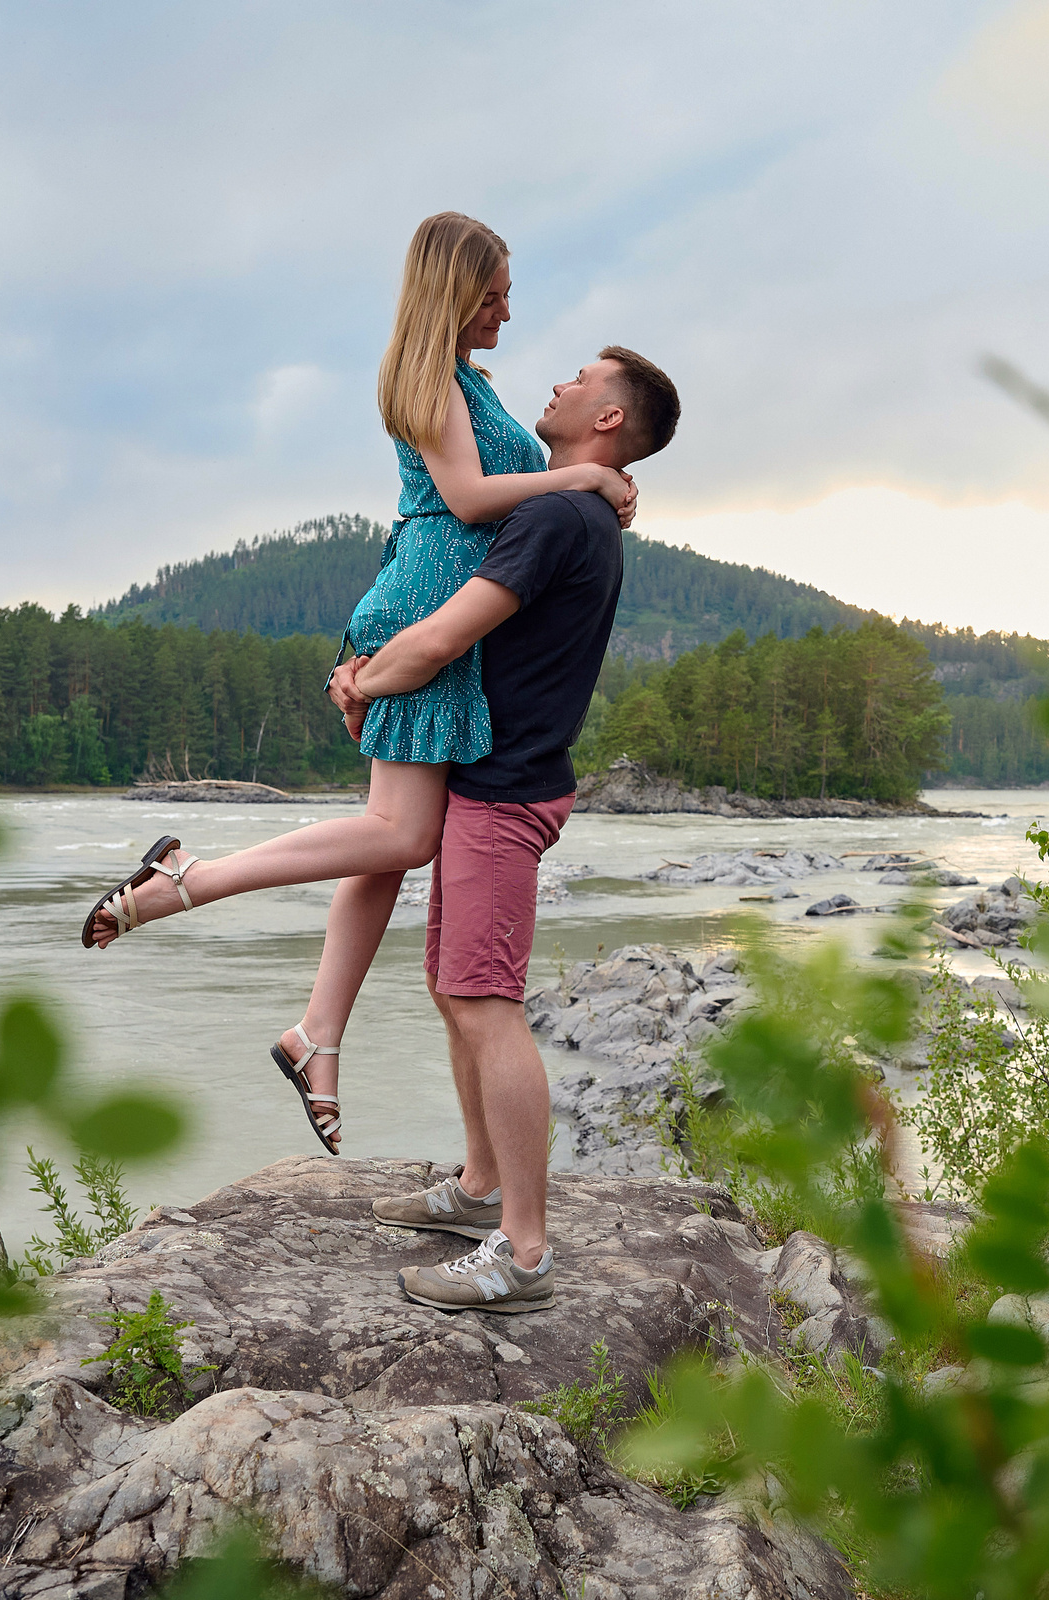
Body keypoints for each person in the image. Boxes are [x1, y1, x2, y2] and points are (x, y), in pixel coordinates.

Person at [75, 211, 633, 1160]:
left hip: (441, 619)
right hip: (425, 609)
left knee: (384, 848)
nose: (507, 309)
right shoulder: (428, 381)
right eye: (494, 292)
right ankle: (185, 882)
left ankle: (317, 1039)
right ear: (456, 290)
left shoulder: (471, 382)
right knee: (402, 835)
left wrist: (593, 479)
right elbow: (464, 501)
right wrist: (582, 484)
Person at [351, 345, 681, 1315]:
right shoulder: (576, 506)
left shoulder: (553, 516)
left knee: (485, 1001)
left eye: (581, 379)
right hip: (497, 783)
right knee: (454, 987)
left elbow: (446, 635)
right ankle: (480, 1186)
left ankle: (524, 1251)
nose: (558, 385)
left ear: (609, 420)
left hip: (503, 792)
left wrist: (361, 681)